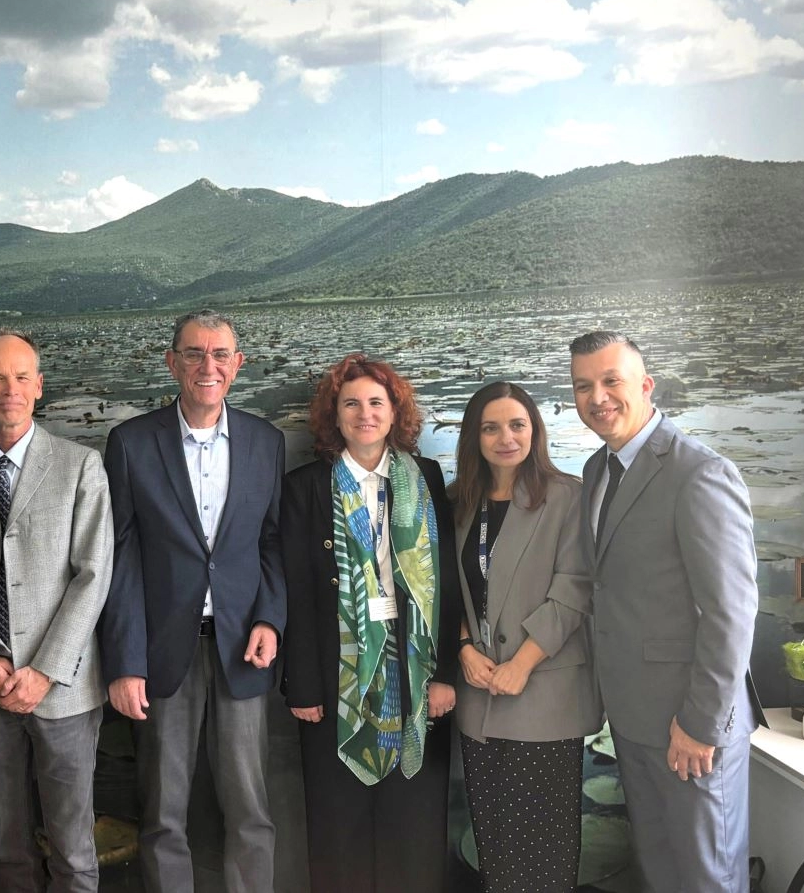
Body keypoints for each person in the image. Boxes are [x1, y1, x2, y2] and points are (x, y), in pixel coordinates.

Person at [98, 310, 286, 893]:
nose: (209, 366)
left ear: (238, 364)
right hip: (162, 654)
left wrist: (270, 619)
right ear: (172, 362)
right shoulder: (131, 443)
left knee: (251, 809)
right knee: (162, 813)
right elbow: (121, 560)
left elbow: (271, 542)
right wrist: (126, 662)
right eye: (195, 353)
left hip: (242, 647)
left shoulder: (266, 442)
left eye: (220, 354)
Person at [569, 331, 761, 893]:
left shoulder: (699, 473)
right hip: (633, 720)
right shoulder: (596, 471)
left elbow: (731, 613)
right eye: (583, 386)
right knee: (659, 873)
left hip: (691, 723)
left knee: (707, 878)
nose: (597, 397)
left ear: (646, 385)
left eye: (611, 381)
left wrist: (700, 725)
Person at [0, 329, 114, 893]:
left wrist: (44, 670)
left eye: (20, 377)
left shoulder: (81, 466)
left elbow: (93, 576)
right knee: (3, 841)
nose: (9, 389)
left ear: (39, 386)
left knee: (73, 846)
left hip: (63, 687)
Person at [281, 353, 460, 893]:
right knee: (339, 822)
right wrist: (303, 685)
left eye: (376, 403)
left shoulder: (425, 478)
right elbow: (296, 590)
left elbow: (445, 581)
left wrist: (444, 674)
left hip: (415, 667)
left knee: (415, 816)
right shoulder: (306, 487)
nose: (365, 414)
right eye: (351, 404)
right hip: (335, 674)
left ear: (394, 412)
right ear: (333, 416)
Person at [448, 381, 601, 892]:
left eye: (517, 425)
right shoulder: (457, 502)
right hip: (479, 695)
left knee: (543, 854)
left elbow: (574, 589)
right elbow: (446, 587)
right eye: (490, 428)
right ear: (474, 437)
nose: (505, 438)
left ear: (534, 430)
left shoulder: (567, 497)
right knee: (495, 848)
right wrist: (463, 648)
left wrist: (522, 663)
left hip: (544, 695)